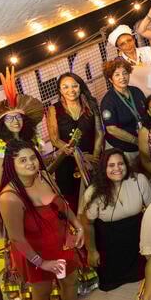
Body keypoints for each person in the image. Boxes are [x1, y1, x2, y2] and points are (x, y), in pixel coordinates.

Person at [0, 141, 99, 300]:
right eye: (22, 160)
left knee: (70, 279)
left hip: (61, 241)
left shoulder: (44, 177)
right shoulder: (10, 197)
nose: (30, 163)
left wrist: (77, 225)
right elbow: (17, 238)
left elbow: (62, 203)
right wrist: (42, 263)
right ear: (11, 165)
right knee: (41, 292)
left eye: (32, 157)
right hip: (34, 251)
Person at [80, 149, 151, 292]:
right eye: (111, 165)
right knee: (108, 284)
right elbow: (87, 224)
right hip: (109, 244)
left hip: (137, 241)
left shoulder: (139, 180)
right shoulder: (93, 192)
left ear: (126, 165)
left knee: (141, 276)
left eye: (120, 164)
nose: (117, 168)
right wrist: (92, 251)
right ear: (103, 168)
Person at [46, 72, 103, 211]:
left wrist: (94, 158)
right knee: (73, 204)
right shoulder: (54, 109)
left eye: (74, 86)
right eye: (65, 87)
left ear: (80, 86)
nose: (70, 90)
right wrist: (80, 157)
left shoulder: (91, 104)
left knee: (97, 200)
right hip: (66, 161)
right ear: (60, 90)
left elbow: (99, 132)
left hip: (92, 161)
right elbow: (54, 139)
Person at [0, 68, 44, 193]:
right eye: (9, 118)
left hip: (37, 189)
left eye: (18, 117)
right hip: (14, 194)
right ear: (2, 123)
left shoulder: (31, 140)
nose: (15, 121)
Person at [99, 59, 148, 168]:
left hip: (143, 144)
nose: (122, 77)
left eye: (125, 73)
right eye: (117, 75)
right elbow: (111, 129)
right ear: (111, 79)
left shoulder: (136, 91)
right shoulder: (108, 101)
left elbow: (147, 113)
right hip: (122, 150)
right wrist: (135, 141)